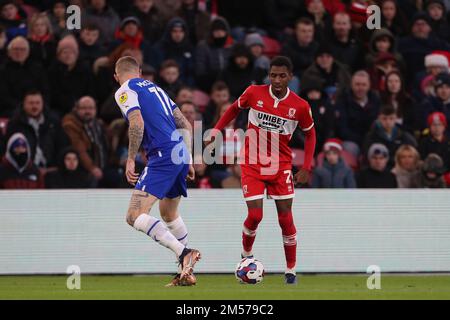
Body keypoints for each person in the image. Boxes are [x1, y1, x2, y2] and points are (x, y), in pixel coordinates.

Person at [207, 56, 316, 284]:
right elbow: (233, 110)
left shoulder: (300, 106)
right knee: (255, 215)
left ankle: (291, 271)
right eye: (273, 75)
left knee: (285, 219)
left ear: (290, 77)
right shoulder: (254, 93)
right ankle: (246, 256)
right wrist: (216, 130)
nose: (276, 80)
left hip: (281, 165)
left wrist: (306, 166)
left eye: (282, 76)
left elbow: (310, 134)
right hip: (252, 162)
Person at [113, 56, 201, 287]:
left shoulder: (124, 89)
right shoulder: (158, 89)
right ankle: (186, 271)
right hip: (178, 153)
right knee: (169, 214)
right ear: (140, 72)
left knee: (133, 215)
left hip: (162, 155)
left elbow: (137, 123)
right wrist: (188, 159)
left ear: (116, 76)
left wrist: (130, 158)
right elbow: (185, 124)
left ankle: (184, 253)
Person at [5, 90, 69, 176]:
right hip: (23, 172)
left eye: (37, 103)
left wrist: (56, 167)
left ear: (42, 104)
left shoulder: (54, 122)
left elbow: (63, 146)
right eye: (31, 103)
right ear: (24, 104)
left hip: (52, 171)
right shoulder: (15, 124)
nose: (34, 106)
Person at [62, 96, 114, 188]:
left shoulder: (98, 124)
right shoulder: (71, 124)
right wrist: (92, 168)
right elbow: (80, 149)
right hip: (84, 169)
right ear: (76, 109)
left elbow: (108, 147)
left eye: (91, 108)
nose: (87, 111)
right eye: (84, 108)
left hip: (104, 167)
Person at [0, 36, 49, 118]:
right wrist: (24, 107)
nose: (19, 52)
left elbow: (46, 91)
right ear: (9, 52)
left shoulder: (38, 69)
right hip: (12, 110)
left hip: (38, 107)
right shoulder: (2, 70)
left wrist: (37, 105)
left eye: (22, 49)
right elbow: (3, 96)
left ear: (28, 52)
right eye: (15, 49)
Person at [363, 105, 417, 169]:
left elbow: (413, 153)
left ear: (395, 119)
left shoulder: (404, 136)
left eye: (391, 118)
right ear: (379, 119)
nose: (388, 122)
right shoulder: (371, 136)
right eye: (384, 118)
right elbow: (368, 156)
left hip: (400, 169)